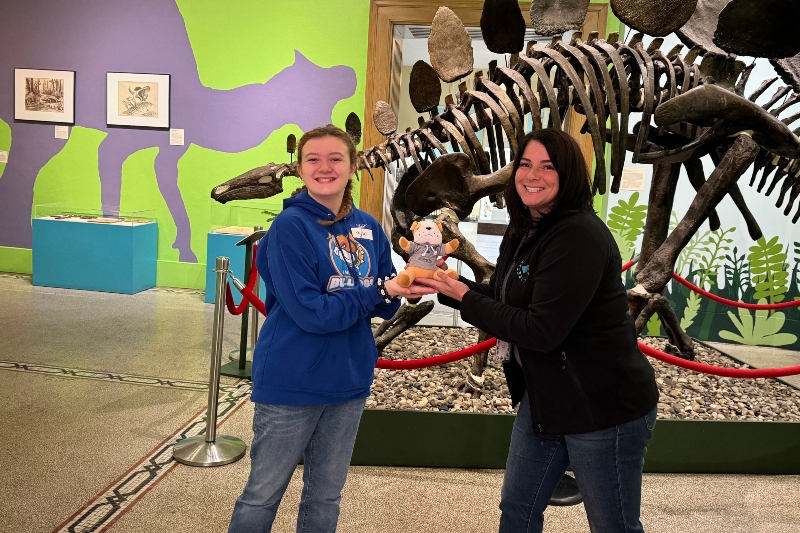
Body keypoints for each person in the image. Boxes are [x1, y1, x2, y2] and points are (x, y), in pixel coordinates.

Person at [417, 129, 660, 533]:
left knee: (613, 525)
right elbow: (503, 301)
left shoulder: (579, 235)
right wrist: (450, 286)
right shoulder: (524, 227)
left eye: (548, 167)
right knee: (517, 510)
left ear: (568, 175)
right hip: (545, 399)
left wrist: (463, 294)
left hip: (603, 408)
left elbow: (540, 330)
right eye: (525, 164)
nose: (533, 175)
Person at [228, 124, 433, 533]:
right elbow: (312, 313)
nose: (325, 168)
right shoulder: (289, 229)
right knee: (262, 495)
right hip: (292, 382)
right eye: (313, 160)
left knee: (325, 495)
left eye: (336, 158)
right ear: (300, 170)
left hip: (348, 382)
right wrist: (378, 291)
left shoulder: (369, 227)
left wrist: (408, 286)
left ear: (353, 166)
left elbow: (385, 297)